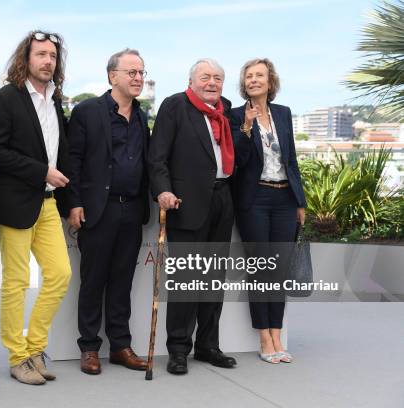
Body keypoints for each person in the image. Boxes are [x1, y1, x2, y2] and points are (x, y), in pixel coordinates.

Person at [0, 30, 71, 385]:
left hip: (48, 203)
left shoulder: (56, 100)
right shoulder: (7, 98)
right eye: (41, 55)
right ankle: (18, 357)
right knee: (16, 282)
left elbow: (59, 151)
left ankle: (35, 347)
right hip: (15, 203)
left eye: (52, 56)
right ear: (26, 59)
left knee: (60, 275)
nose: (47, 61)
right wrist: (41, 171)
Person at [148, 58, 237, 375]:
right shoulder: (175, 106)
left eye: (217, 77)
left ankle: (208, 346)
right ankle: (178, 350)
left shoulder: (226, 109)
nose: (212, 82)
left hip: (222, 198)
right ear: (192, 80)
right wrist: (162, 191)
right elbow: (157, 156)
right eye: (205, 77)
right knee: (187, 280)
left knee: (214, 279)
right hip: (186, 203)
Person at [68, 48, 151, 375]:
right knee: (93, 282)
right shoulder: (87, 111)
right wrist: (74, 202)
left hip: (132, 210)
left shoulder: (143, 116)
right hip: (97, 211)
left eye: (141, 73)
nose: (138, 78)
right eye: (131, 72)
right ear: (112, 76)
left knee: (122, 282)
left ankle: (120, 346)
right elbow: (72, 160)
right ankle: (89, 348)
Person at [230, 58, 306, 364]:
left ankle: (278, 332)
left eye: (259, 75)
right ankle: (264, 336)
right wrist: (246, 128)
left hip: (285, 199)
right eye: (249, 76)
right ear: (244, 83)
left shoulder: (284, 114)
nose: (253, 80)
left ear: (270, 81)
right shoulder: (235, 115)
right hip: (255, 200)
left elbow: (292, 160)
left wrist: (300, 201)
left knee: (279, 272)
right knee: (261, 269)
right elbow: (237, 161)